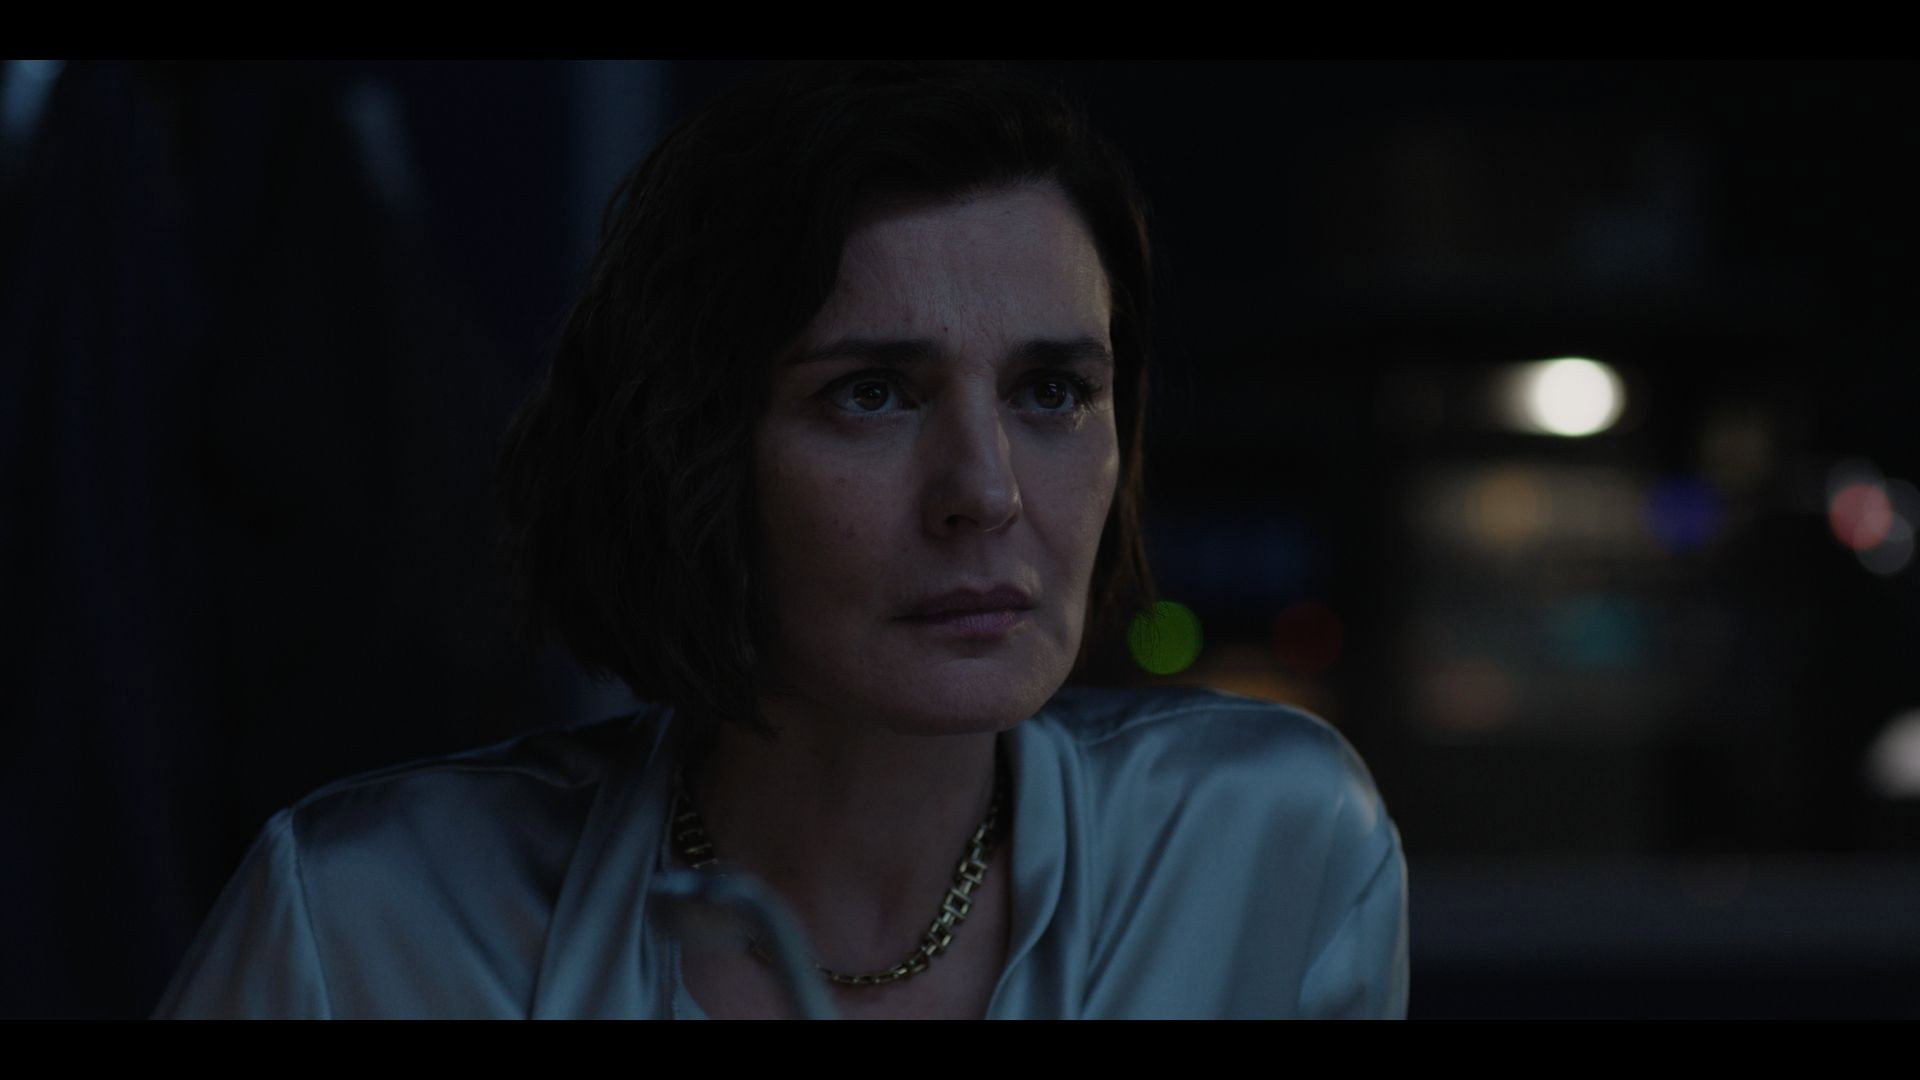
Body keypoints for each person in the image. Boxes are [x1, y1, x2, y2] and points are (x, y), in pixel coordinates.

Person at [154, 61, 1408, 1020]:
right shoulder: (364, 928)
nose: (986, 492)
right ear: (688, 450)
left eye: (1052, 392)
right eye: (874, 393)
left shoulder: (1268, 851)